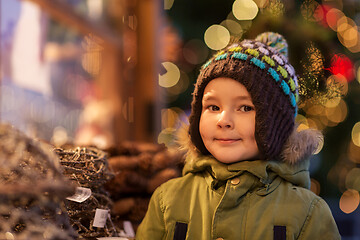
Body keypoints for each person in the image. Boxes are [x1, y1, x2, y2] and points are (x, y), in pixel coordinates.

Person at [136, 32, 341, 239]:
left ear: (275, 123)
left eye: (245, 108)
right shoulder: (168, 199)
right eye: (213, 106)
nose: (224, 120)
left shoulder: (307, 212)